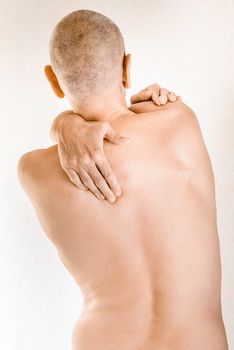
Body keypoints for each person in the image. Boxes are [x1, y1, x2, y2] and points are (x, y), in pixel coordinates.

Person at [17, 9, 228, 350]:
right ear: (127, 69)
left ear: (53, 81)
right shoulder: (179, 122)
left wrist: (63, 122)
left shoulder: (33, 172)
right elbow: (147, 108)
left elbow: (54, 143)